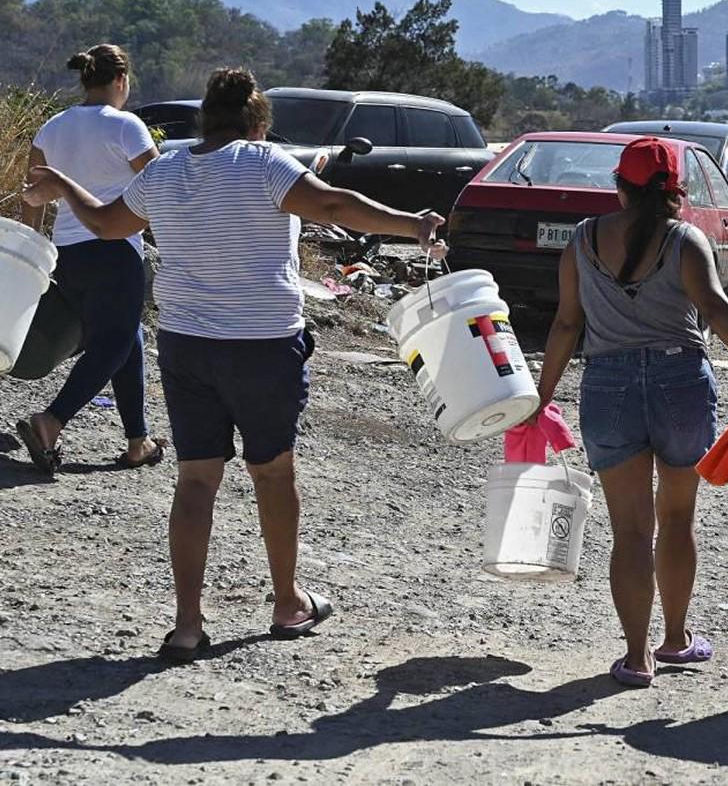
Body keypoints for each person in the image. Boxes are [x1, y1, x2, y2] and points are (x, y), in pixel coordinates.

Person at [22, 68, 448, 663]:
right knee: (272, 472)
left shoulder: (165, 171)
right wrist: (413, 224)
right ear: (256, 121)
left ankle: (188, 625)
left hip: (185, 345)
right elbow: (335, 205)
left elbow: (106, 224)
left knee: (196, 479)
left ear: (204, 118)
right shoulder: (263, 162)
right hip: (263, 345)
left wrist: (65, 183)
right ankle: (286, 603)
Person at [534, 137, 728, 688]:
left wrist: (540, 395)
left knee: (629, 530)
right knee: (677, 519)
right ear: (673, 188)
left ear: (619, 187)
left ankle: (636, 658)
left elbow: (565, 324)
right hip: (680, 381)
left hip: (608, 387)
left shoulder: (582, 241)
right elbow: (716, 309)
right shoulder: (687, 240)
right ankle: (676, 639)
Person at [17, 45, 163, 473]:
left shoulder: (52, 128)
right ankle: (51, 420)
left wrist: (34, 251)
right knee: (113, 342)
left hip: (67, 254)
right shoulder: (126, 126)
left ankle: (139, 440)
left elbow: (33, 196)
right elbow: (160, 182)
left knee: (126, 336)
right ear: (121, 80)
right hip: (114, 251)